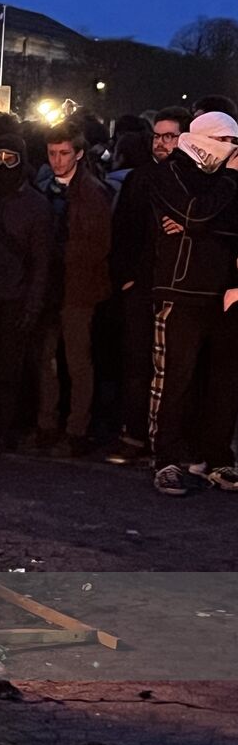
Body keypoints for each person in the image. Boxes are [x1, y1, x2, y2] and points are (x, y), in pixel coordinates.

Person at [148, 112, 238, 495]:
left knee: (224, 381)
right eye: (228, 142)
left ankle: (215, 456)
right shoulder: (171, 171)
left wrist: (198, 222)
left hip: (226, 293)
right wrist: (201, 215)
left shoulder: (223, 177)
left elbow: (208, 219)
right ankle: (166, 458)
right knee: (174, 379)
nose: (232, 152)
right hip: (181, 290)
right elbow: (196, 211)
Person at [110, 106, 188, 457]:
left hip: (178, 285)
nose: (162, 142)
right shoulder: (139, 178)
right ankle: (134, 434)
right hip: (140, 286)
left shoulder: (193, 180)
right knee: (136, 363)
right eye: (158, 136)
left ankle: (169, 439)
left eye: (170, 136)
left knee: (174, 368)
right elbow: (122, 231)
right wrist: (126, 278)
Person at [35, 125, 112, 456]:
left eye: (64, 153)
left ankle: (75, 427)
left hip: (76, 288)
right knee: (48, 359)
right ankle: (48, 424)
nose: (57, 160)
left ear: (79, 154)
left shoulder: (92, 193)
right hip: (53, 285)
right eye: (52, 153)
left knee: (76, 360)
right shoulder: (47, 187)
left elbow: (97, 246)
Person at [0, 137, 51, 454]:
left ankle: (1, 429)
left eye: (10, 159)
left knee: (8, 368)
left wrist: (32, 304)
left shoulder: (35, 204)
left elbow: (41, 260)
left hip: (14, 297)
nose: (3, 166)